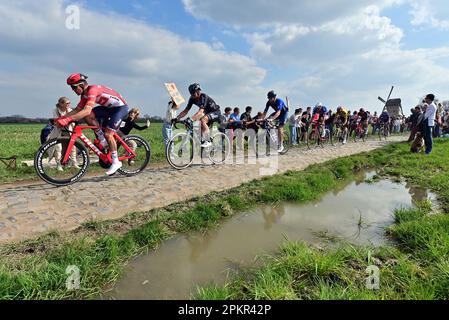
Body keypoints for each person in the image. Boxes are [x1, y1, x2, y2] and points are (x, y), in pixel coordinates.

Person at [57, 73, 130, 175]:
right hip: (109, 109)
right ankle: (102, 138)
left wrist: (67, 120)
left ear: (81, 85)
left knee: (108, 134)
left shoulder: (92, 90)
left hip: (120, 108)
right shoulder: (84, 95)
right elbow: (77, 110)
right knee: (89, 116)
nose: (72, 90)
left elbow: (86, 110)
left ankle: (116, 161)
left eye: (74, 87)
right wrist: (60, 119)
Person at [176, 83, 221, 148]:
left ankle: (207, 140)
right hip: (207, 113)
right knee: (197, 126)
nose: (192, 95)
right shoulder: (192, 98)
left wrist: (190, 119)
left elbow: (200, 112)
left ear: (198, 91)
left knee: (202, 120)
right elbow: (186, 110)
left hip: (215, 112)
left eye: (193, 93)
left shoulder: (203, 96)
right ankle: (203, 145)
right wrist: (177, 118)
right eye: (191, 93)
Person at [47, 97, 78, 171]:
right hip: (59, 131)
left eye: (69, 103)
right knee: (58, 148)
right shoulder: (55, 110)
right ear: (61, 104)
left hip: (69, 130)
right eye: (67, 103)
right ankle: (58, 164)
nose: (69, 104)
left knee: (72, 147)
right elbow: (57, 121)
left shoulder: (70, 110)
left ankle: (74, 163)